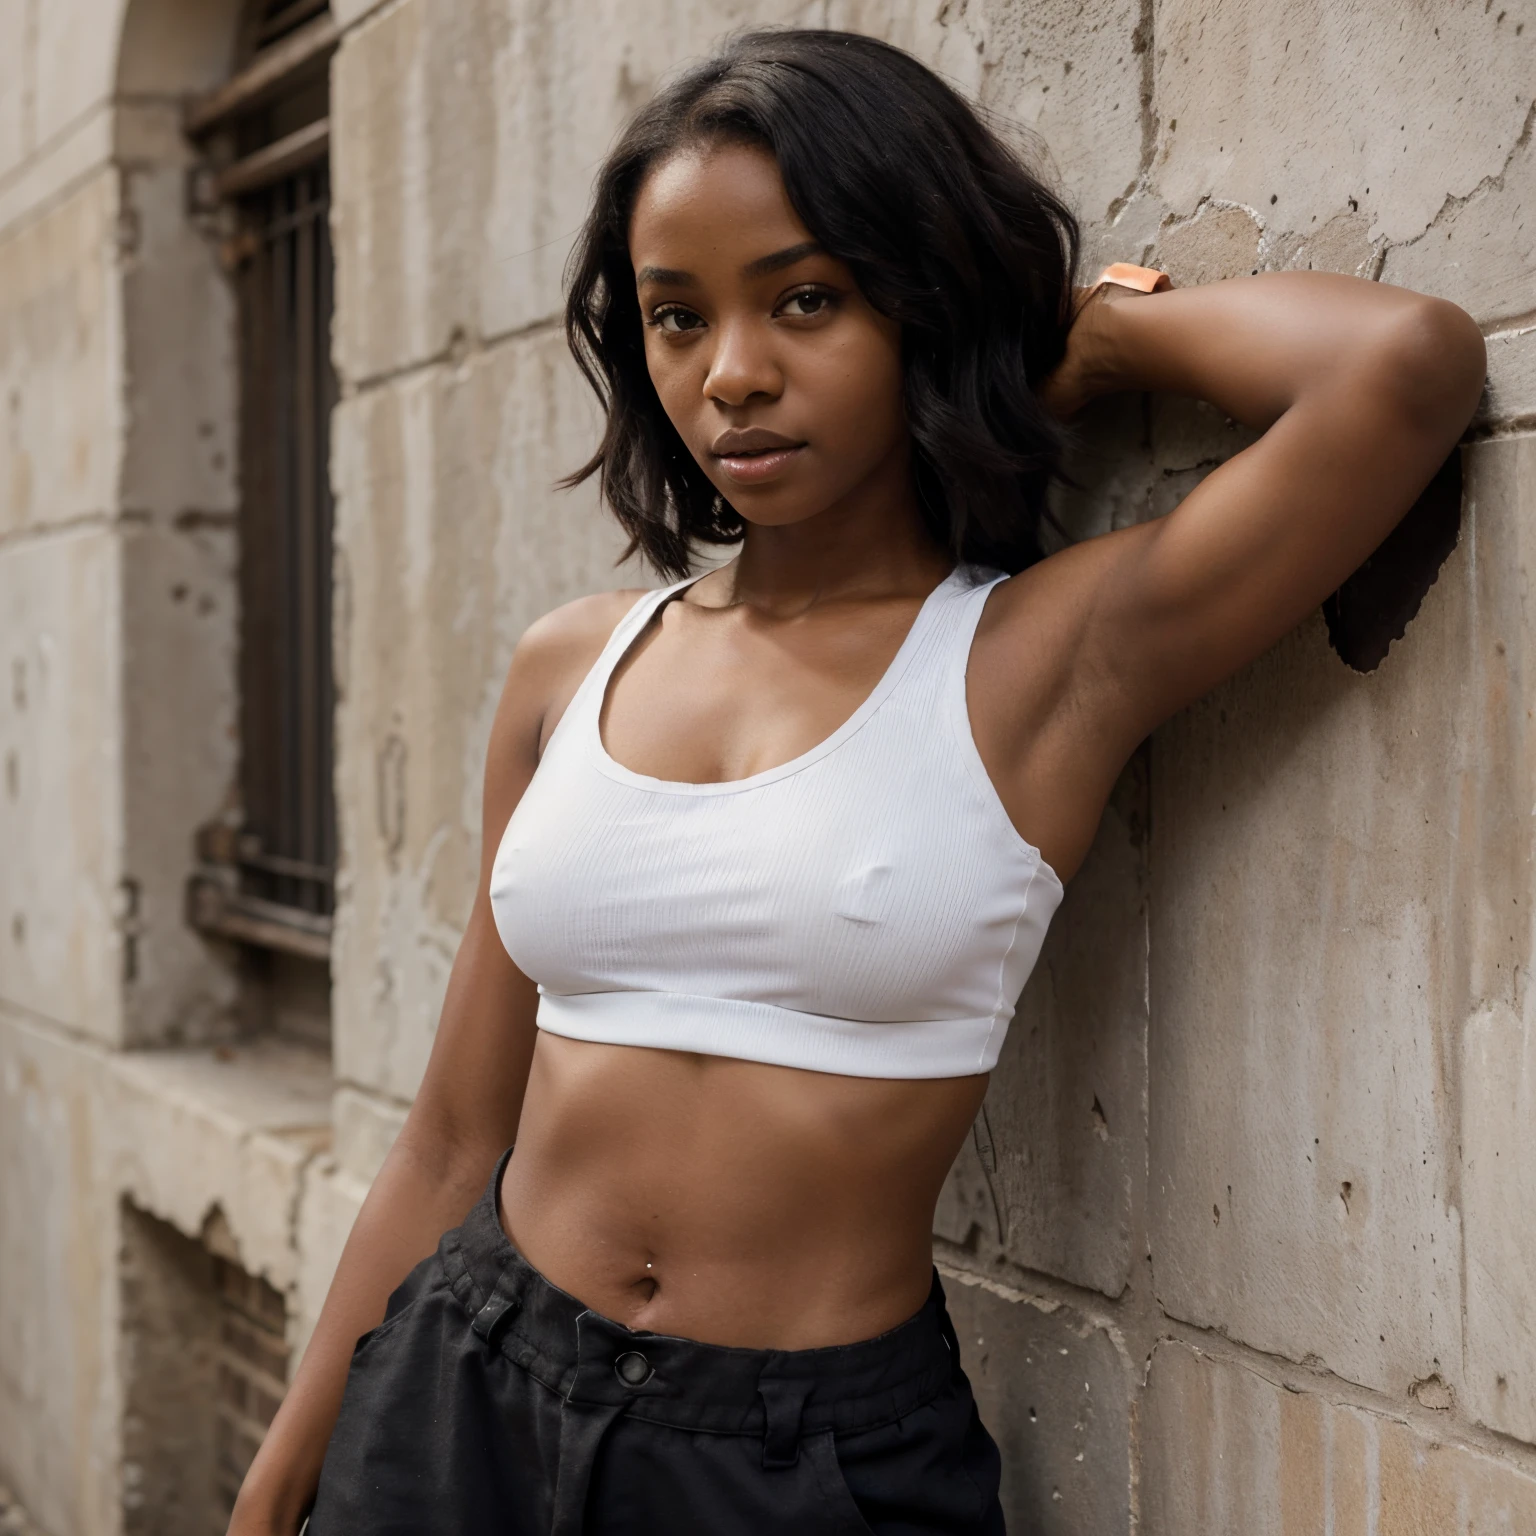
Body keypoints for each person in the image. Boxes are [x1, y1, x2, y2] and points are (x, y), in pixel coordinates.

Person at [228, 28, 1484, 1536]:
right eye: (677, 318)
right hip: (460, 1393)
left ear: (923, 300)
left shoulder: (1037, 661)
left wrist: (1085, 337)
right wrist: (291, 1462)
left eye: (805, 299)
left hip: (801, 1459)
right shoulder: (572, 666)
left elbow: (1404, 371)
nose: (734, 375)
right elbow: (449, 1135)